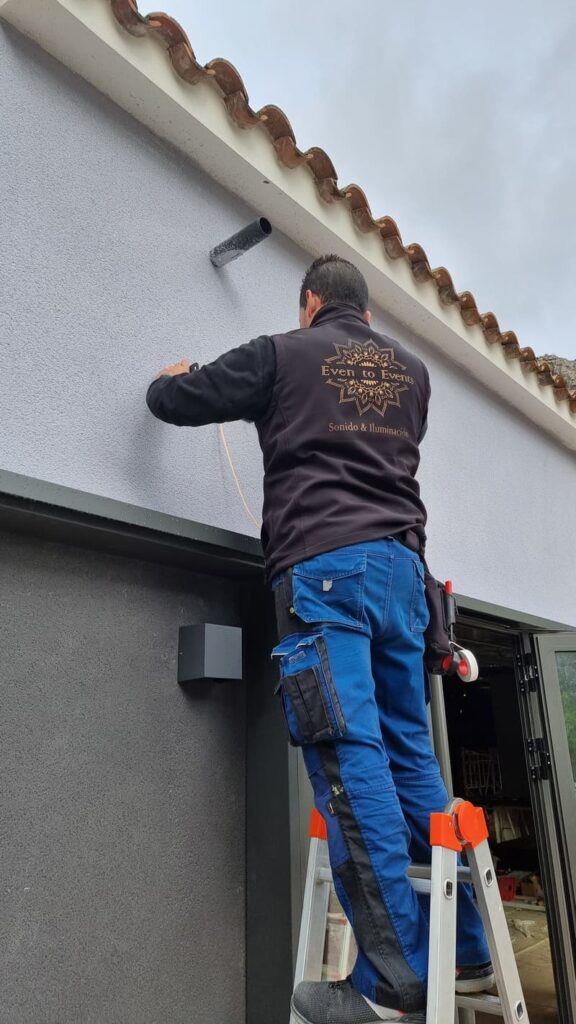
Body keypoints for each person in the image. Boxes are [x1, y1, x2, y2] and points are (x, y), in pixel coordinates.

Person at [146, 254, 492, 1024]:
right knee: (409, 754)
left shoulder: (283, 353)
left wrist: (169, 380)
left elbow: (185, 399)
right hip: (402, 576)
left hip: (328, 572)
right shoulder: (412, 375)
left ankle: (393, 979)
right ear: (365, 313)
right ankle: (465, 946)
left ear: (309, 303)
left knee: (347, 754)